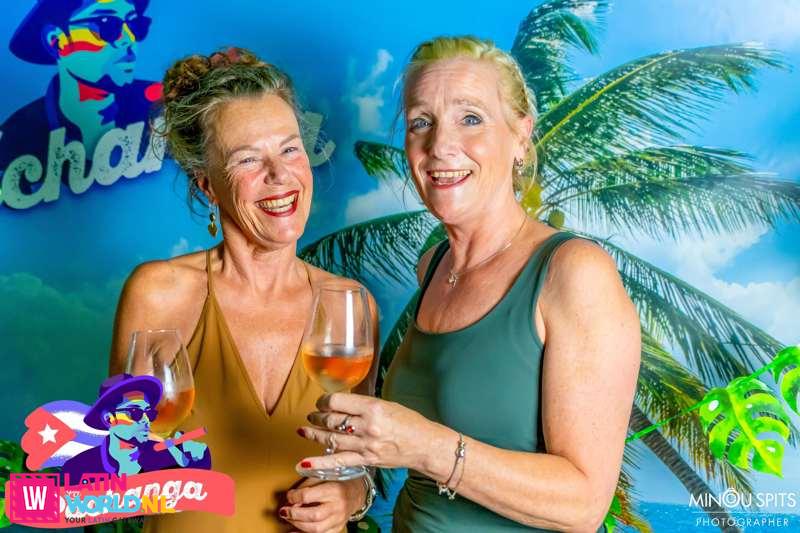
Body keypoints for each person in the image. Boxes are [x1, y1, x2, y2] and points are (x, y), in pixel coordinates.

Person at [296, 36, 641, 532]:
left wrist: (426, 447)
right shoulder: (433, 265)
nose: (440, 146)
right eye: (421, 122)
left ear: (520, 136)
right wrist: (349, 491)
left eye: (471, 118)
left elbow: (584, 505)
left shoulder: (574, 272)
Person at [109, 47, 379, 532]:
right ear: (207, 186)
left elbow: (360, 461)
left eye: (290, 149)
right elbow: (120, 462)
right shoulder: (158, 293)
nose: (279, 175)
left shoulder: (350, 305)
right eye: (248, 159)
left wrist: (351, 494)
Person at [0, 0, 161, 178]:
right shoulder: (16, 138)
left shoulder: (161, 104)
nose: (129, 39)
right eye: (107, 24)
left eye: (135, 25)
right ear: (55, 41)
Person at [61, 373, 210, 482]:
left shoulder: (167, 456)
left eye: (149, 413)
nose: (146, 420)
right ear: (109, 419)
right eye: (135, 412)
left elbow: (201, 485)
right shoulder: (79, 468)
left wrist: (198, 459)